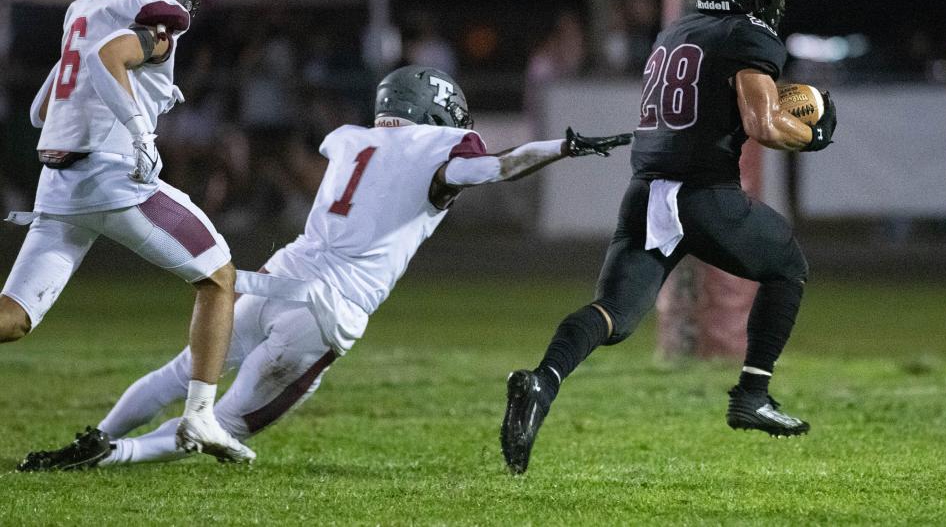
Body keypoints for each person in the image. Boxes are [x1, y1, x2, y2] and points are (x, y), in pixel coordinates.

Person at [17, 65, 632, 470]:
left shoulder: (348, 138)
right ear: (436, 113)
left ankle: (96, 433)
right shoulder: (438, 146)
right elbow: (496, 167)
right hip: (326, 310)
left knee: (181, 372)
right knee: (223, 424)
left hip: (280, 274)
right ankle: (108, 456)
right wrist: (562, 148)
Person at [500, 0, 839, 474]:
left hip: (646, 194)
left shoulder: (675, 31)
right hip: (703, 194)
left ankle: (542, 379)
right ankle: (752, 396)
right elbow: (762, 125)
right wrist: (812, 134)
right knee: (788, 265)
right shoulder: (748, 35)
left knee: (614, 314)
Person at [4, 0, 254, 466]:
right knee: (219, 275)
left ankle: (200, 416)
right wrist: (140, 130)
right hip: (111, 177)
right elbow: (108, 59)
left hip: (59, 182)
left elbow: (41, 109)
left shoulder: (83, 6)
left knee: (14, 318)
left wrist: (147, 91)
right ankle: (200, 415)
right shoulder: (157, 11)